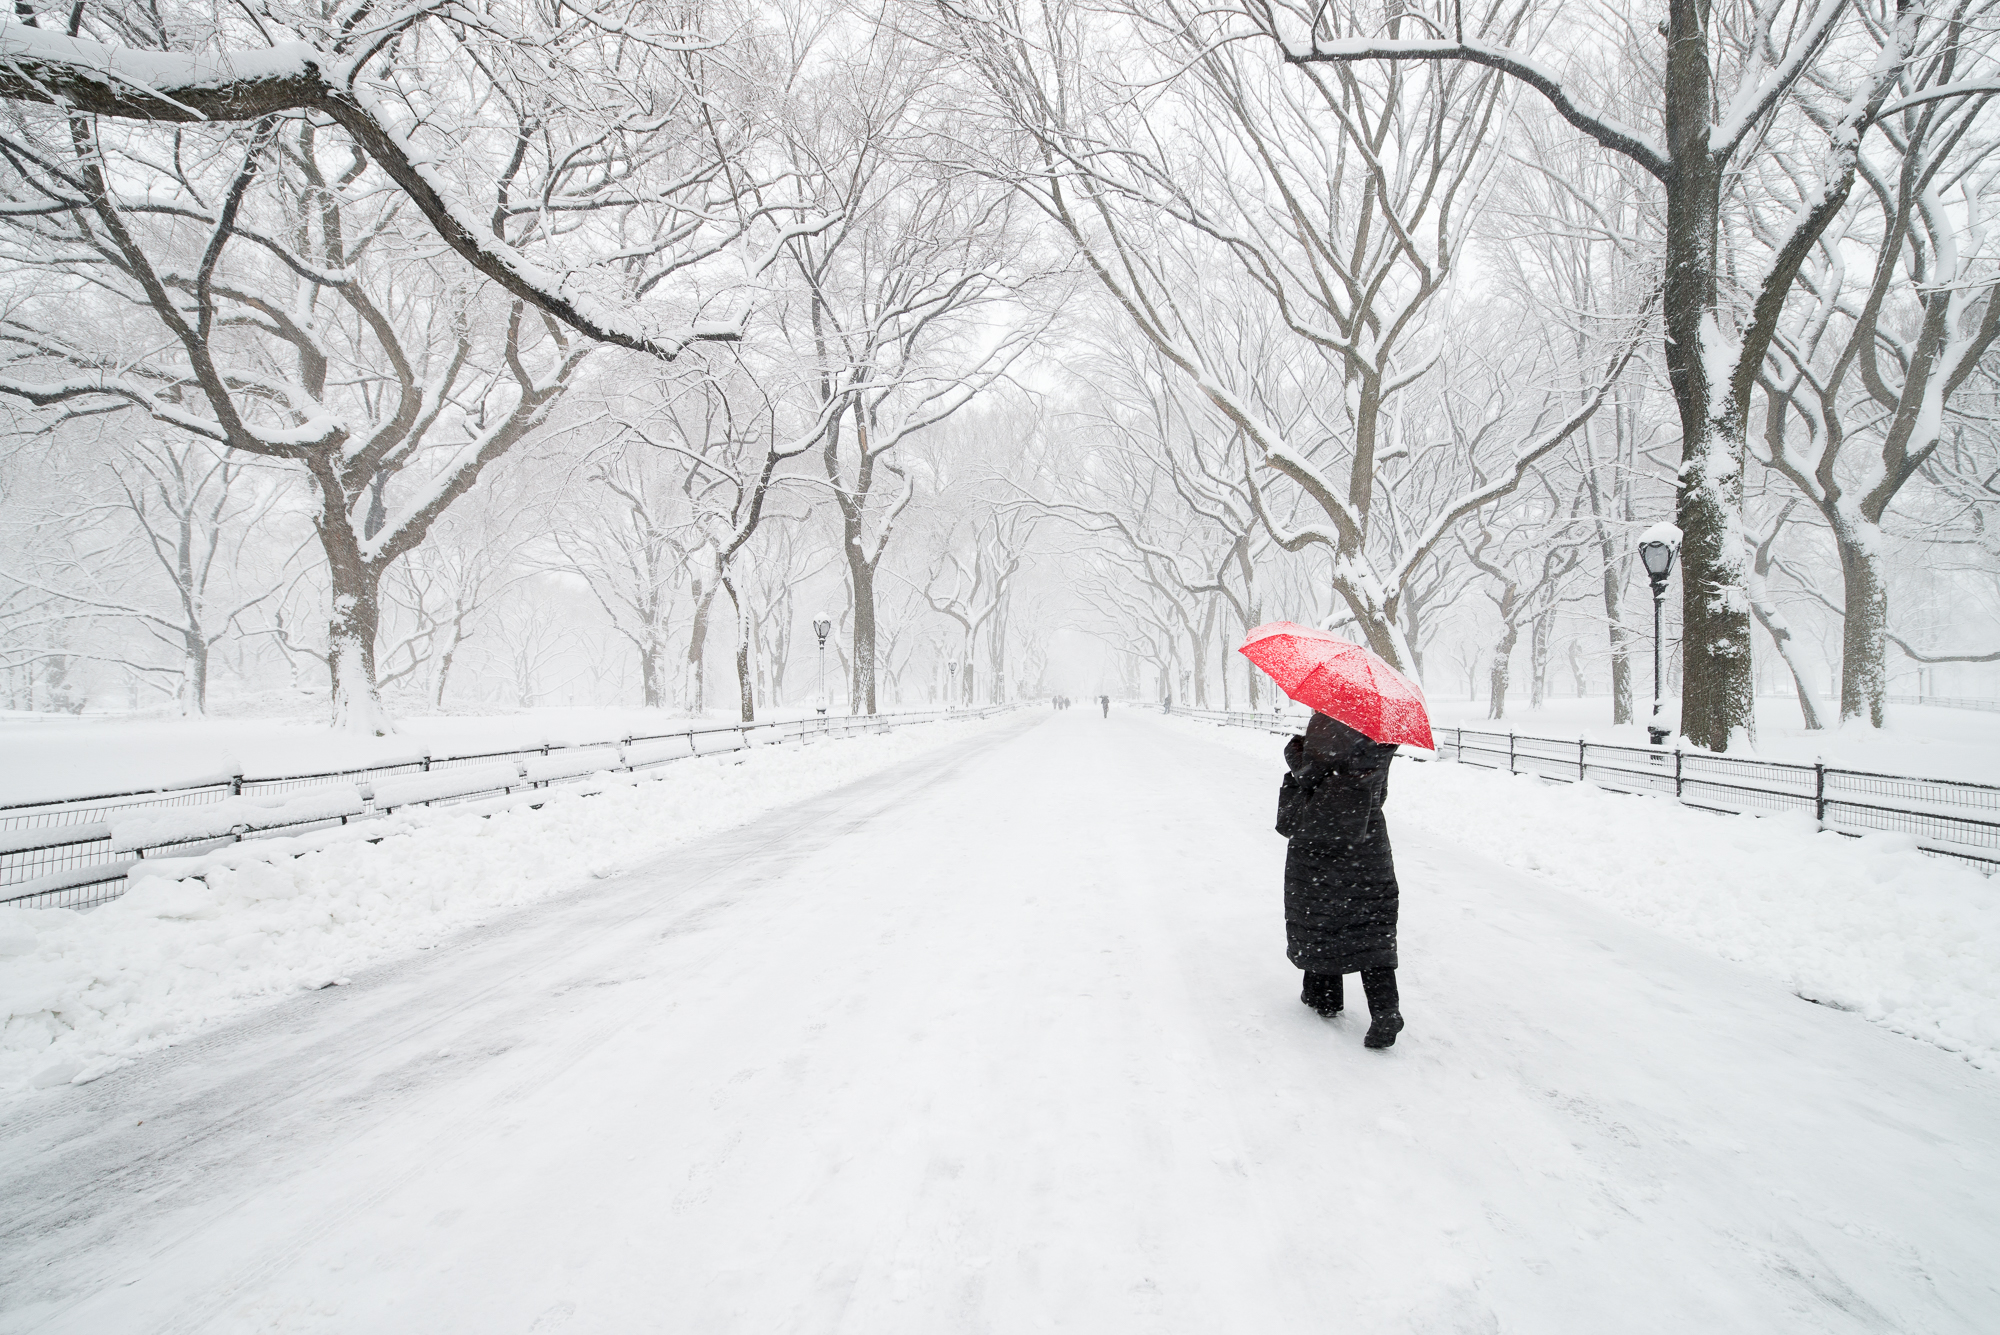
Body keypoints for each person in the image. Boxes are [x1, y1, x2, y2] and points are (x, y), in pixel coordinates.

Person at [1274, 711, 1404, 1048]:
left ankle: (1325, 995)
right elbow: (1379, 794)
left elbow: (1308, 780)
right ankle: (1385, 1011)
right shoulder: (1381, 734)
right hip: (1369, 844)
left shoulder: (1325, 727)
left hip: (1320, 847)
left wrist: (1297, 750)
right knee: (1371, 930)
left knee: (1321, 918)